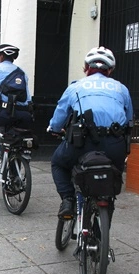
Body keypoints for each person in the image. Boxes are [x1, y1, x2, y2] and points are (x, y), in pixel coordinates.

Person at [47, 46, 134, 218]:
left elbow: (60, 115)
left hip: (82, 141)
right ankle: (105, 211)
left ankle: (68, 200)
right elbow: (130, 119)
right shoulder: (121, 89)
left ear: (86, 68)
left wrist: (54, 129)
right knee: (111, 180)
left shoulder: (75, 86)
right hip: (114, 144)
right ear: (110, 70)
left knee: (58, 163)